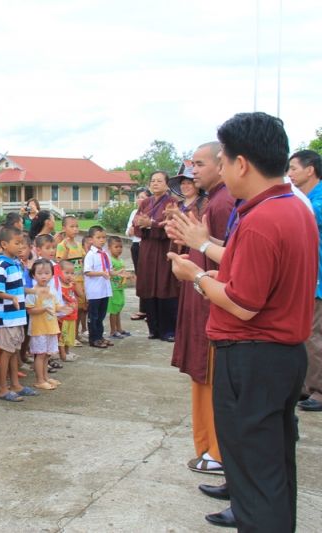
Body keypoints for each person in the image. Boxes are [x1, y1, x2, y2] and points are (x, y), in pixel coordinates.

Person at [167, 112, 317, 531]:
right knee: (272, 468)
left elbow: (243, 304)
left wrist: (194, 275)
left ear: (242, 164)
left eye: (224, 160)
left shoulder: (262, 220)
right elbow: (252, 278)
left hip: (253, 358)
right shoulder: (290, 207)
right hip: (280, 356)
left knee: (252, 477)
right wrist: (214, 266)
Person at [167, 142, 236, 478]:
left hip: (212, 302)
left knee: (211, 377)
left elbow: (233, 260)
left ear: (223, 165)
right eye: (192, 164)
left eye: (200, 164)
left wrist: (197, 254)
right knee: (203, 376)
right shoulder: (216, 200)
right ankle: (210, 447)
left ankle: (217, 451)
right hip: (202, 294)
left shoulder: (224, 203)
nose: (193, 171)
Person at [288, 150, 322, 412]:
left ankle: (319, 390)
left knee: (314, 335)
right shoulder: (306, 199)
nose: (290, 174)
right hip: (307, 278)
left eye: (294, 168)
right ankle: (305, 385)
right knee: (303, 334)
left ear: (310, 170)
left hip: (318, 278)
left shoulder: (316, 202)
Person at [0, 226, 37, 401]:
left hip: (16, 316)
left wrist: (34, 292)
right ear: (4, 244)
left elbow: (18, 288)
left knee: (14, 352)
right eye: (16, 243)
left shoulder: (16, 264)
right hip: (6, 317)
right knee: (6, 353)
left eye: (22, 244)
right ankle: (2, 388)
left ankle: (15, 384)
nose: (20, 247)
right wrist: (12, 297)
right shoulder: (2, 266)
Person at [134, 171, 179, 342]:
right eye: (153, 181)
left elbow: (170, 225)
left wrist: (151, 224)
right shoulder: (146, 202)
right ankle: (153, 328)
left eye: (159, 181)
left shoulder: (171, 202)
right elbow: (136, 224)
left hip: (162, 249)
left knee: (164, 287)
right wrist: (141, 224)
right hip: (147, 249)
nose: (155, 184)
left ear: (167, 184)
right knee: (148, 288)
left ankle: (168, 330)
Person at [25, 259, 64, 390]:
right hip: (38, 329)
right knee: (40, 354)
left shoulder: (51, 290)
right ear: (33, 275)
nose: (43, 276)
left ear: (52, 275)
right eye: (40, 273)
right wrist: (44, 309)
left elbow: (57, 305)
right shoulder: (33, 291)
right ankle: (39, 380)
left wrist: (64, 309)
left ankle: (46, 377)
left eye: (47, 273)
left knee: (47, 354)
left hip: (51, 327)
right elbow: (29, 310)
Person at [56, 216, 87, 345]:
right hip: (69, 283)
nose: (75, 229)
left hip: (80, 280)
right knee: (70, 310)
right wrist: (66, 253)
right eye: (72, 226)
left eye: (76, 226)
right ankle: (67, 337)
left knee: (81, 308)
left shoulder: (79, 245)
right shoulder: (62, 245)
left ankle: (76, 333)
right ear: (64, 228)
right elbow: (59, 263)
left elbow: (83, 260)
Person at [83, 226, 112, 348]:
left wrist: (118, 273)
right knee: (93, 316)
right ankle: (93, 338)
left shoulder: (104, 253)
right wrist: (101, 273)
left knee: (101, 315)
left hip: (104, 290)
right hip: (94, 291)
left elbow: (108, 269)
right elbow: (87, 272)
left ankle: (100, 336)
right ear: (91, 239)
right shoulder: (90, 255)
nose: (102, 240)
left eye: (104, 237)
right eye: (98, 237)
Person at [126, 189, 151, 320]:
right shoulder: (134, 213)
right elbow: (128, 231)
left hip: (147, 246)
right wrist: (131, 231)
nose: (140, 200)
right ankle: (142, 309)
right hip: (136, 246)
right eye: (138, 197)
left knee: (148, 278)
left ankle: (149, 310)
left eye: (143, 197)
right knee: (140, 278)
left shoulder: (150, 213)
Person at [106, 236, 130, 339]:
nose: (119, 249)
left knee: (119, 309)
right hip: (113, 288)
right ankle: (113, 331)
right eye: (116, 247)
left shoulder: (120, 260)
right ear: (109, 248)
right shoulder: (109, 260)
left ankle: (119, 328)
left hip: (120, 288)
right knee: (114, 310)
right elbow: (109, 273)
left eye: (121, 247)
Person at [58, 260, 79, 362]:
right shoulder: (59, 287)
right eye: (66, 273)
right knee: (62, 337)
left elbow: (80, 294)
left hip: (72, 315)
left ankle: (67, 352)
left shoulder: (72, 285)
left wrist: (76, 283)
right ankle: (62, 354)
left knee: (69, 337)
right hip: (64, 316)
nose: (69, 275)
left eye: (72, 273)